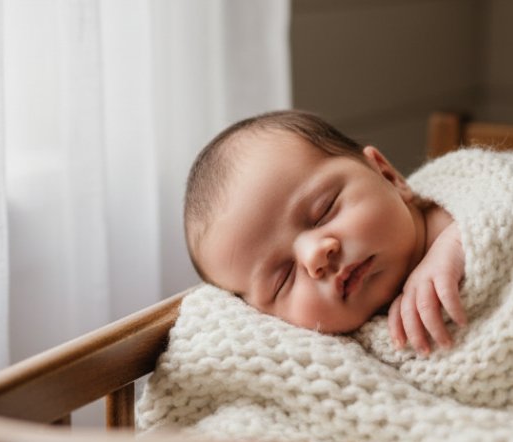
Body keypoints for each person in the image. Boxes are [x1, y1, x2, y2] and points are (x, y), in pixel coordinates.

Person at [184, 110, 467, 354]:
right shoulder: (328, 358)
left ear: (387, 174)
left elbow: (507, 201)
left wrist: (459, 241)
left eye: (324, 211)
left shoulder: (466, 202)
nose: (315, 256)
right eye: (283, 279)